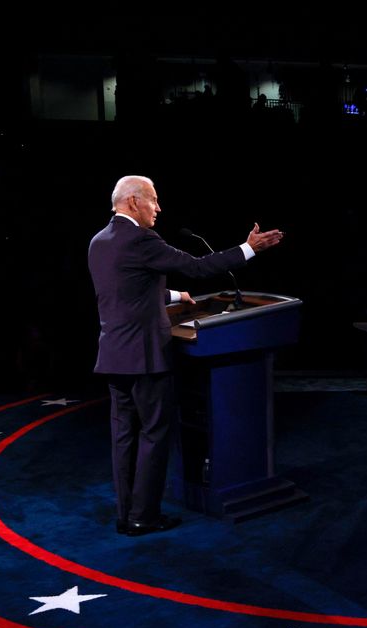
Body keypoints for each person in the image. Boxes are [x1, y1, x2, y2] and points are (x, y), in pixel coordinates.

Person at [88, 175, 284, 536]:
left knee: (124, 438)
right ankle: (143, 517)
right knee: (153, 434)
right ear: (133, 202)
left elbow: (127, 294)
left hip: (114, 356)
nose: (158, 208)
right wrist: (249, 248)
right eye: (154, 200)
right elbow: (197, 266)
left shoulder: (99, 242)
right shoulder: (142, 239)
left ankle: (125, 513)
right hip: (145, 358)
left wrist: (177, 297)